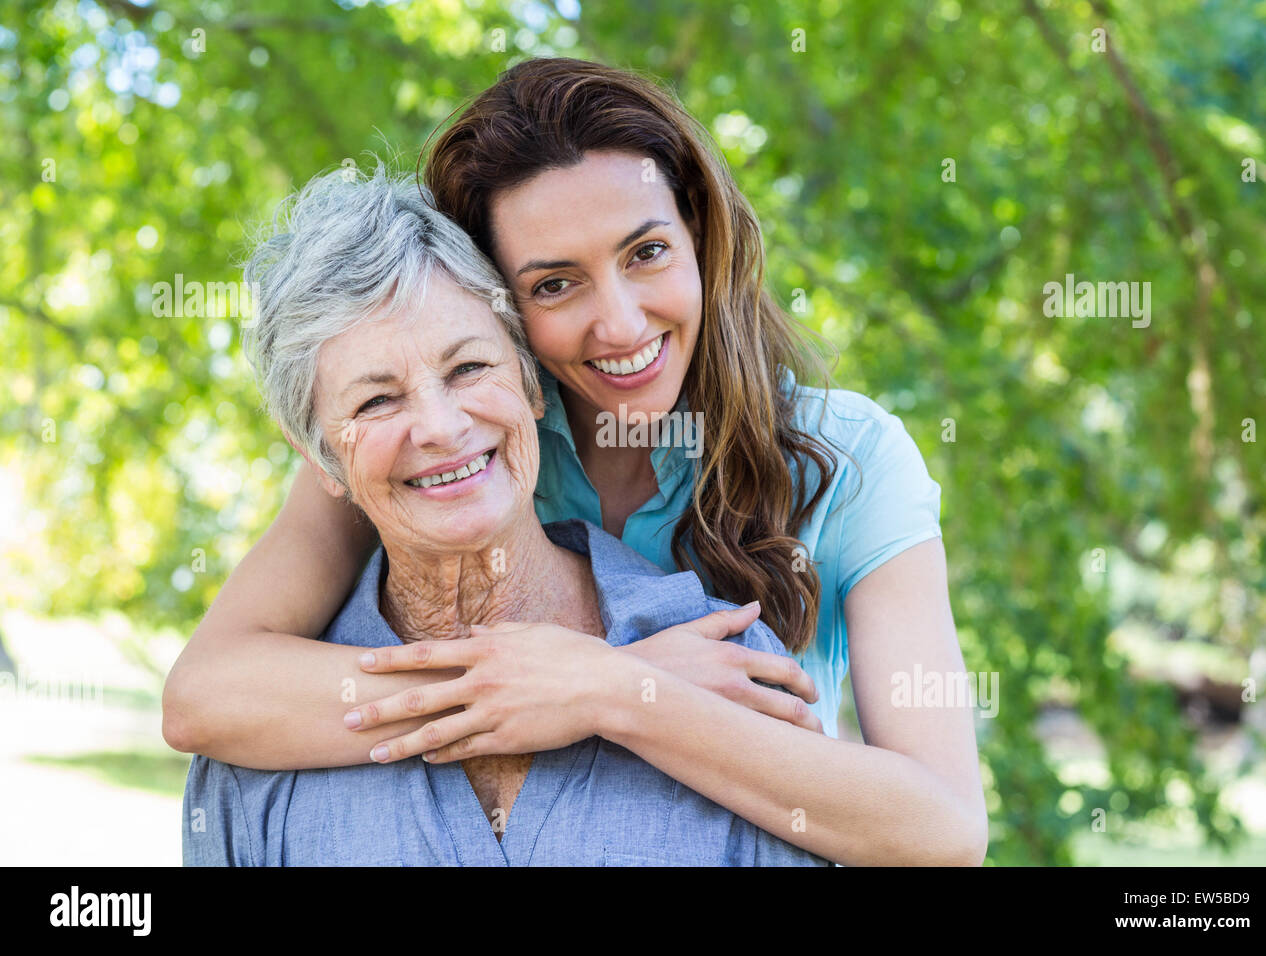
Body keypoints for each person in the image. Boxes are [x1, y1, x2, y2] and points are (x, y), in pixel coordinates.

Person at [165, 58, 986, 866]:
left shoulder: (851, 459)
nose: (622, 324)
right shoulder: (458, 441)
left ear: (699, 236)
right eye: (556, 284)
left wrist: (610, 690)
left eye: (647, 253)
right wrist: (520, 693)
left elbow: (944, 830)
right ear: (500, 306)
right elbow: (209, 693)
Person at [184, 166, 828, 866]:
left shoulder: (724, 669)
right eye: (376, 402)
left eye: (468, 369)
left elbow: (932, 829)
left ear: (532, 385)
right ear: (320, 458)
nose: (439, 426)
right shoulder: (254, 738)